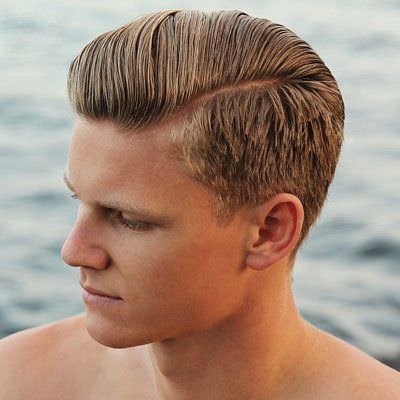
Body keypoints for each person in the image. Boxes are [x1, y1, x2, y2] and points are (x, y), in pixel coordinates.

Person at [0, 9, 399, 400]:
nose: (73, 252)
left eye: (129, 219)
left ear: (269, 231)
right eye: (78, 199)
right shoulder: (17, 379)